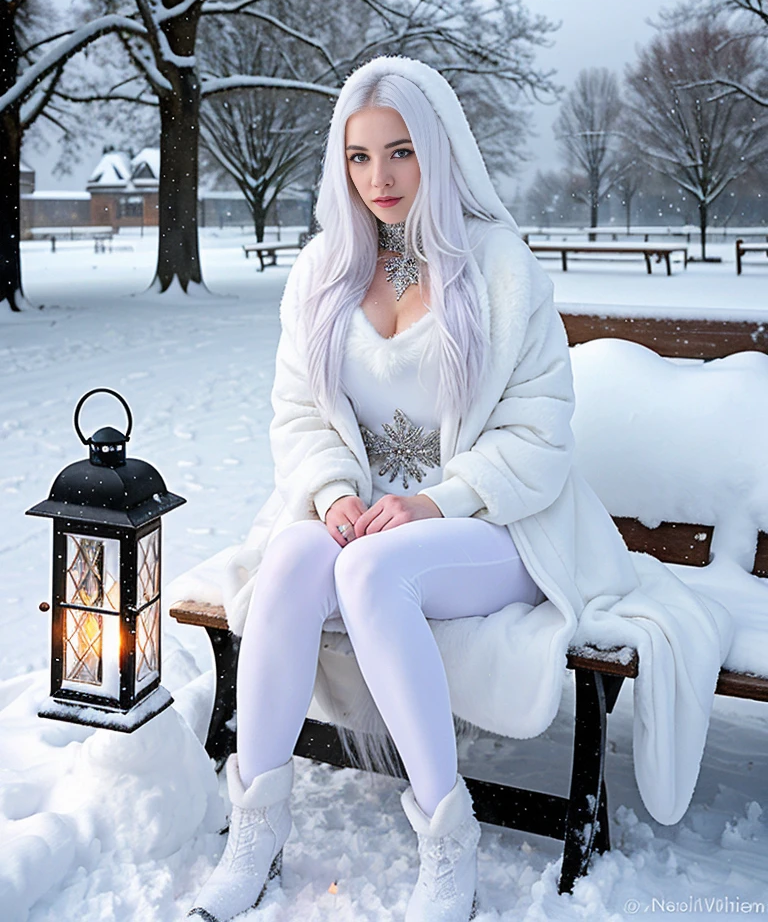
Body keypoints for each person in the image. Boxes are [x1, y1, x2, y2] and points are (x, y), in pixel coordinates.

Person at [187, 56, 731, 922]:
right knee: (291, 559)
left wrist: (434, 502)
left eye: (400, 152)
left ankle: (448, 841)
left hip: (497, 526)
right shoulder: (325, 270)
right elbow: (297, 415)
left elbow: (541, 434)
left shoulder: (499, 267)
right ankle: (255, 830)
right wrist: (332, 497)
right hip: (361, 514)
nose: (380, 178)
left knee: (374, 573)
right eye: (360, 158)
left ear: (438, 150)